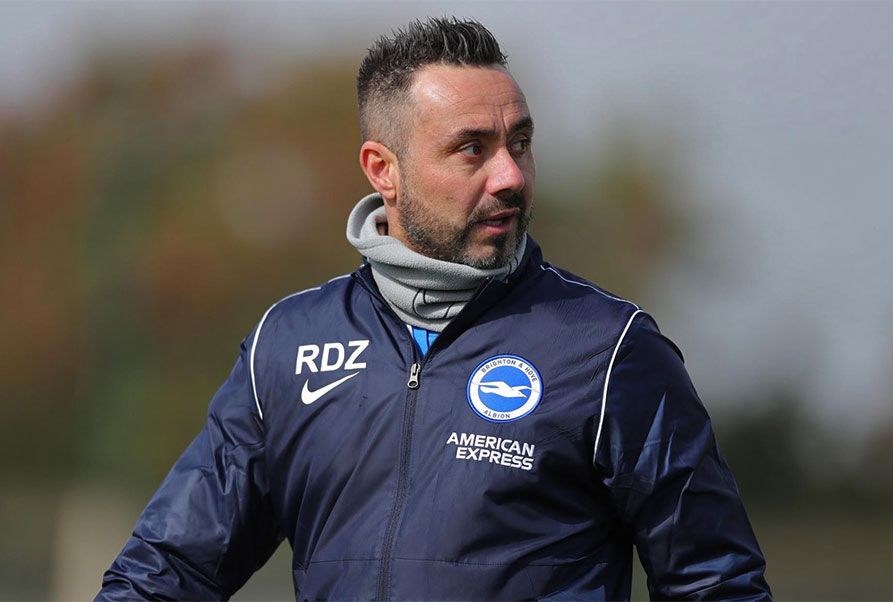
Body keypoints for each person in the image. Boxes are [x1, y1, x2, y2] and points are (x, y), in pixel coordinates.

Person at [97, 18, 771, 601]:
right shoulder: (288, 343)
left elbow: (716, 584)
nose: (510, 176)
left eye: (520, 143)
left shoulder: (610, 350)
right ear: (382, 169)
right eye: (472, 148)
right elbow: (169, 570)